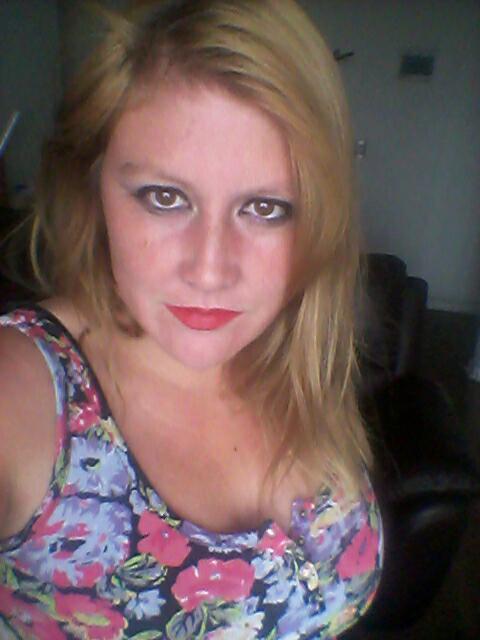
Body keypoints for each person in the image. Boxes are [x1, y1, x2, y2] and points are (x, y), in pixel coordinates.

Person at [0, 0, 382, 637]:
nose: (210, 271)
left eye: (265, 208)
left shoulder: (292, 349)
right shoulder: (23, 394)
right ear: (93, 188)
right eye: (165, 197)